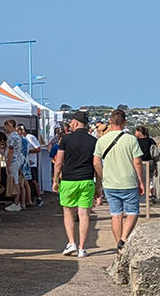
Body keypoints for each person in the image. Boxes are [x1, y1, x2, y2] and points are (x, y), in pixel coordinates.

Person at [93, 110, 147, 252]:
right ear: (125, 122)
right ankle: (123, 239)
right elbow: (137, 162)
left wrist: (103, 176)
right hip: (128, 181)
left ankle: (119, 245)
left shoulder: (101, 140)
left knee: (116, 215)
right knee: (133, 212)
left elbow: (96, 162)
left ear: (110, 121)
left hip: (110, 183)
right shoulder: (131, 139)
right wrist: (140, 181)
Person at [54, 112, 98, 257]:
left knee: (68, 212)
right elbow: (96, 163)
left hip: (69, 180)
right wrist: (99, 186)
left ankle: (71, 242)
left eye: (72, 122)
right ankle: (82, 248)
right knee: (84, 213)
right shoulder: (93, 141)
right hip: (87, 179)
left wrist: (55, 180)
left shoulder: (66, 139)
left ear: (77, 123)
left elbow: (59, 162)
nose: (70, 125)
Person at [24, 128, 43, 207]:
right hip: (26, 163)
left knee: (33, 181)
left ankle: (39, 198)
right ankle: (29, 199)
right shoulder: (23, 139)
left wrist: (28, 151)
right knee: (27, 182)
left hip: (32, 163)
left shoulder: (30, 137)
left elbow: (38, 149)